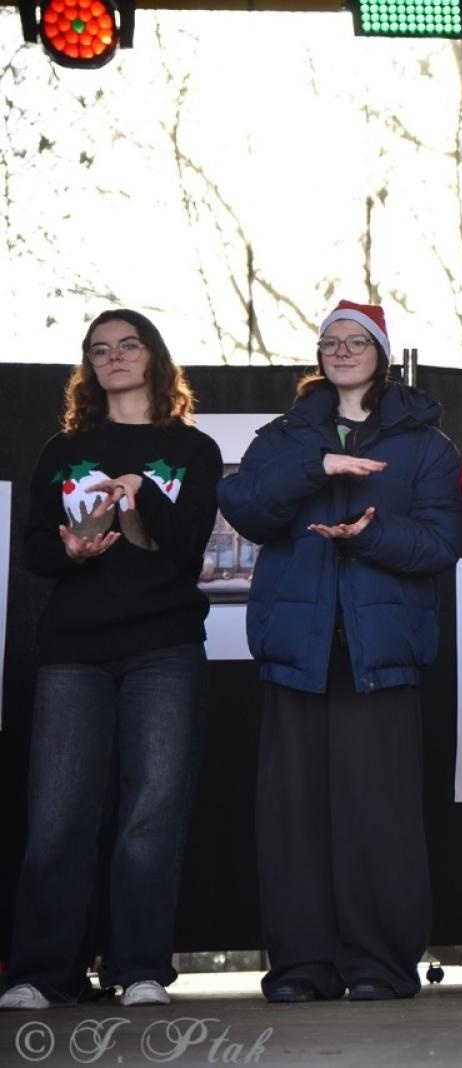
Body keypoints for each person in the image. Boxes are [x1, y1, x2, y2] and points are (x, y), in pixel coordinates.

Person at [217, 300, 462, 1003]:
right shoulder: (284, 436)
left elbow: (440, 546)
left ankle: (379, 967)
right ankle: (301, 968)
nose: (342, 350)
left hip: (379, 655)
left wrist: (368, 535)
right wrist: (316, 466)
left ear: (381, 352)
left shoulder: (427, 445)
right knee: (293, 819)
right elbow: (248, 509)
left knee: (378, 817)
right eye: (331, 341)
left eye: (357, 340)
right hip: (297, 652)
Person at [1, 311, 221, 1011]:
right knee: (58, 814)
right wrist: (68, 550)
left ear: (152, 357)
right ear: (89, 367)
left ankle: (140, 969)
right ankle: (41, 973)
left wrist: (137, 488)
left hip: (165, 649)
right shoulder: (61, 452)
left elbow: (187, 549)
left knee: (150, 815)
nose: (115, 357)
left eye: (127, 345)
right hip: (73, 652)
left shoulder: (193, 450)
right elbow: (35, 551)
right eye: (100, 350)